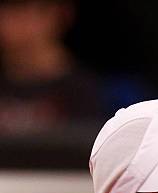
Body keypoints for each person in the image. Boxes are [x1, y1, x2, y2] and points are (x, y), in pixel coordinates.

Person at [0, 0, 102, 135]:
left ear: (59, 14)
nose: (9, 21)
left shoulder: (82, 90)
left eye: (21, 9)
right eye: (6, 10)